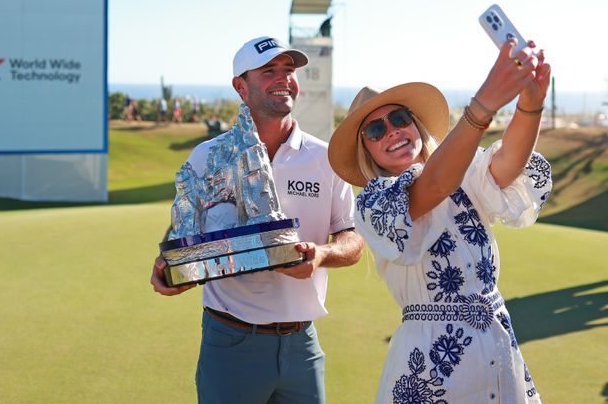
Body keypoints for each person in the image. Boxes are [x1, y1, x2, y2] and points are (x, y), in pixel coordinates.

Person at [327, 38, 552, 403]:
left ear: (415, 124)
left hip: (498, 351)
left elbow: (510, 163)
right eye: (375, 130)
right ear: (365, 148)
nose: (392, 131)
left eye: (399, 119)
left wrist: (531, 102)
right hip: (431, 371)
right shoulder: (375, 203)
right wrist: (483, 105)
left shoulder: (467, 171)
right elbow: (433, 184)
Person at [150, 36, 364, 403]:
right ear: (240, 86)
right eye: (269, 71)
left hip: (302, 344)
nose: (284, 79)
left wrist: (323, 254)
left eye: (289, 70)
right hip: (231, 341)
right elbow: (183, 229)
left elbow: (352, 239)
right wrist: (169, 266)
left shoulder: (326, 157)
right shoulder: (206, 156)